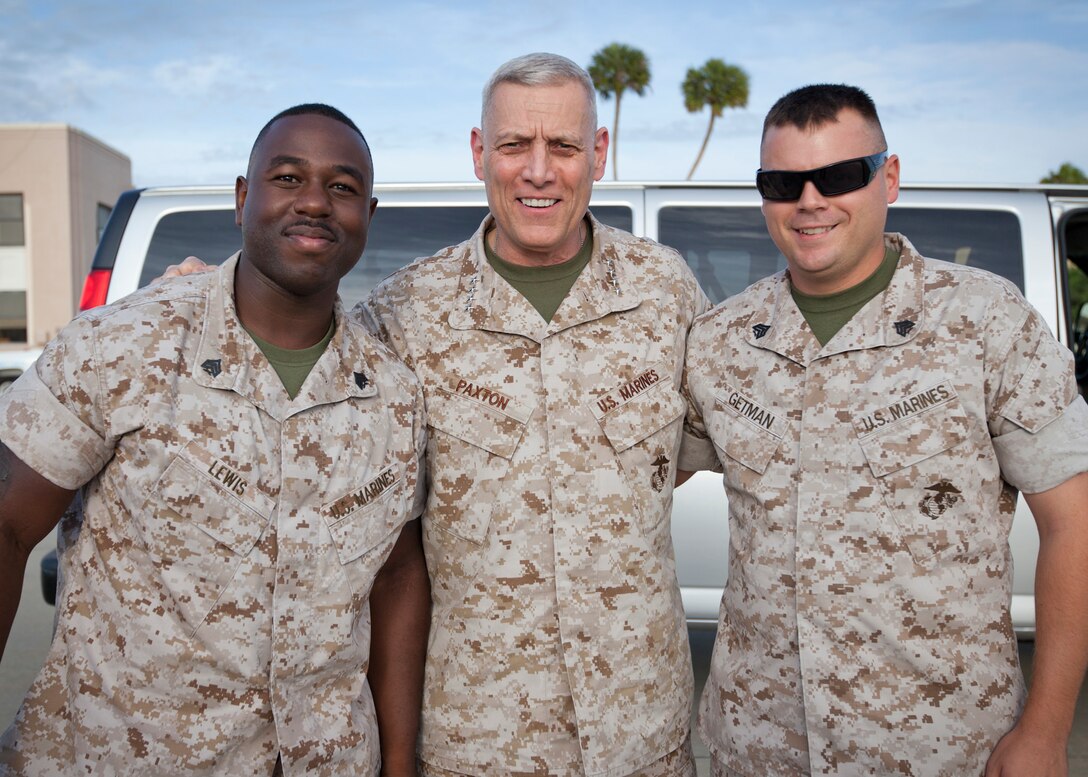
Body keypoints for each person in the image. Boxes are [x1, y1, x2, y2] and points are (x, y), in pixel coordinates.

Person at [0, 104, 430, 776]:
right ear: (242, 197)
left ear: (367, 216)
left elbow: (397, 576)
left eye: (342, 187)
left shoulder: (395, 398)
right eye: (288, 177)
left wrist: (400, 764)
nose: (315, 201)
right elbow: (6, 526)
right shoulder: (123, 346)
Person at [680, 83, 1088, 776]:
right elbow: (637, 472)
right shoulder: (720, 343)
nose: (810, 200)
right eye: (782, 182)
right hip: (757, 746)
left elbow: (1075, 523)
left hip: (940, 749)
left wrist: (1046, 731)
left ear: (888, 177)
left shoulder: (985, 322)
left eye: (839, 175)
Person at [359, 53, 709, 776]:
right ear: (480, 152)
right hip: (480, 743)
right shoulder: (406, 314)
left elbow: (678, 454)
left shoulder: (665, 292)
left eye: (565, 147)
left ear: (600, 154)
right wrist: (201, 294)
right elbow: (294, 366)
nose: (539, 171)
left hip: (642, 734)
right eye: (516, 145)